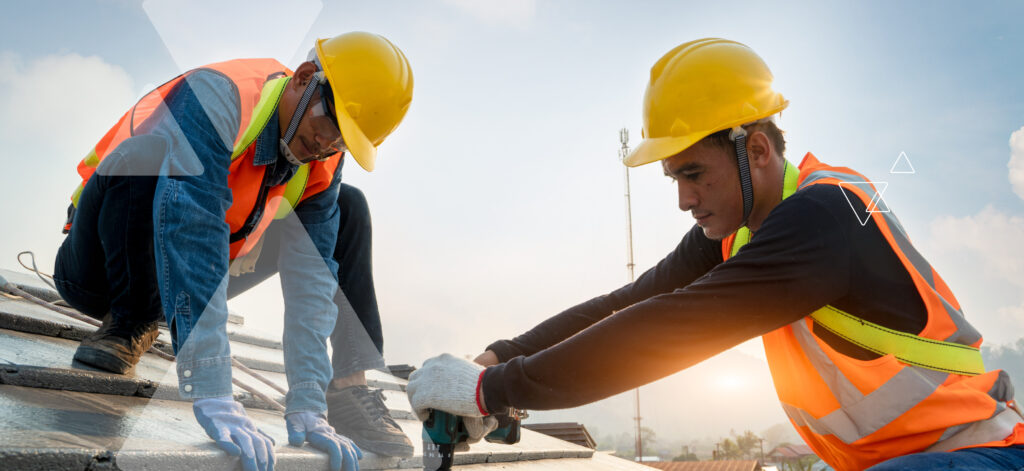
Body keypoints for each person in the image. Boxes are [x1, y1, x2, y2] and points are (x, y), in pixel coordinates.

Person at [406, 38, 1024, 471]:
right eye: (674, 178)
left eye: (694, 174)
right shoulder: (738, 230)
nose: (683, 200)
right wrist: (492, 361)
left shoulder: (824, 216)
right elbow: (630, 302)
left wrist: (491, 391)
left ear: (755, 150)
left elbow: (670, 329)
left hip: (978, 454)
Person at [54, 32, 415, 471]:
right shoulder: (220, 96)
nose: (328, 143)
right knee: (148, 153)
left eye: (344, 140)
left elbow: (314, 279)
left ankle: (346, 388)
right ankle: (128, 323)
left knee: (349, 207)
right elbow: (193, 224)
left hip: (187, 279)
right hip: (100, 268)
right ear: (304, 79)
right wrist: (211, 385)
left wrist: (307, 398)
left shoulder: (324, 160)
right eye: (331, 122)